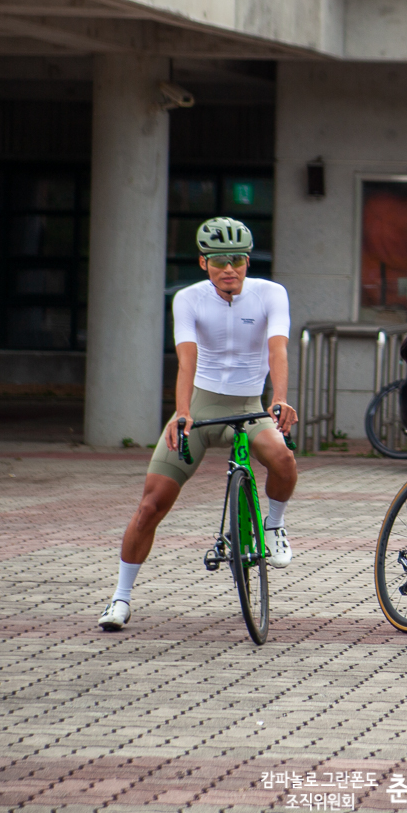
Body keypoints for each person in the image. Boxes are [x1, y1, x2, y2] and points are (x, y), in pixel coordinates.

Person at [99, 218, 298, 631]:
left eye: (238, 259)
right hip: (201, 408)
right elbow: (186, 360)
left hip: (249, 405)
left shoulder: (270, 294)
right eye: (220, 261)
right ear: (203, 262)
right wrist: (182, 412)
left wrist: (279, 398)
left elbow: (277, 349)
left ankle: (274, 525)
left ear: (248, 261)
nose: (230, 269)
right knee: (150, 506)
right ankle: (120, 598)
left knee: (283, 460)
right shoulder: (188, 299)